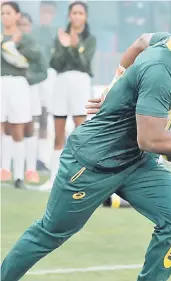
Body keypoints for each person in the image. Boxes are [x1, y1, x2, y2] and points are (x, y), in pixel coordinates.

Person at [1, 4, 171, 281]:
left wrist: (115, 82)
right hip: (91, 165)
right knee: (49, 233)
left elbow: (141, 40)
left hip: (136, 162)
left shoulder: (170, 44)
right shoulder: (160, 71)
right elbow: (150, 138)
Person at [39, 1, 96, 191]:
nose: (77, 16)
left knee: (81, 132)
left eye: (80, 13)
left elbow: (84, 62)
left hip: (80, 82)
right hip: (61, 82)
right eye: (74, 13)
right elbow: (56, 62)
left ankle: (83, 178)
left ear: (85, 17)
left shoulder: (90, 39)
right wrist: (64, 46)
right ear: (69, 16)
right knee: (58, 131)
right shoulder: (60, 36)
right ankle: (53, 178)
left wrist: (74, 45)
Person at [0, 1, 41, 188]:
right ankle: (3, 169)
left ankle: (18, 175)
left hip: (18, 83)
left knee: (18, 128)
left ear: (17, 16)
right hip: (1, 81)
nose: (5, 17)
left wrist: (13, 46)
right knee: (1, 126)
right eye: (2, 13)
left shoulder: (25, 38)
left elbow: (33, 59)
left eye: (8, 13)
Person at [18, 12, 48, 183]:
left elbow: (42, 72)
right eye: (20, 24)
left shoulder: (35, 47)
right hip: (9, 90)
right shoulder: (7, 43)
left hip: (31, 92)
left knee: (30, 129)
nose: (23, 28)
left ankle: (30, 168)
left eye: (26, 25)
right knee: (7, 128)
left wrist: (28, 79)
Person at [32, 1, 57, 171]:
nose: (45, 15)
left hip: (50, 75)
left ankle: (44, 157)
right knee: (33, 116)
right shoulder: (33, 32)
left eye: (49, 12)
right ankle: (32, 157)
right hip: (33, 77)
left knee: (47, 117)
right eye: (43, 12)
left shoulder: (57, 33)